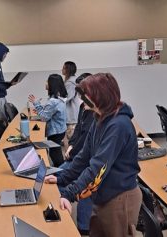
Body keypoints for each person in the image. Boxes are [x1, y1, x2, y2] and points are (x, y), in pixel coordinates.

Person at [45, 73, 142, 237]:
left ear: (100, 96)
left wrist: (70, 193)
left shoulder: (118, 125)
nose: (82, 100)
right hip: (103, 194)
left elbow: (97, 167)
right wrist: (63, 177)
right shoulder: (99, 118)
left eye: (85, 95)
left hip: (119, 197)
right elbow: (84, 156)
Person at [60, 73, 94, 235]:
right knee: (57, 178)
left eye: (83, 93)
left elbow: (87, 138)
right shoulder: (83, 107)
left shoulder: (95, 113)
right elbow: (79, 130)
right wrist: (71, 146)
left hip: (85, 161)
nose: (80, 98)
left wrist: (74, 154)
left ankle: (83, 227)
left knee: (85, 187)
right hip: (79, 157)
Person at [28, 74, 67, 167]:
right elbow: (49, 112)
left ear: (52, 84)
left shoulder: (53, 101)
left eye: (47, 81)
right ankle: (61, 169)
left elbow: (44, 117)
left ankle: (61, 171)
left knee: (55, 154)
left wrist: (36, 104)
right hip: (60, 130)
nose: (46, 83)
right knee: (55, 152)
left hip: (55, 132)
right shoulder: (59, 98)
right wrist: (40, 109)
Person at [62, 61, 81, 150]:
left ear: (67, 69)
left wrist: (56, 101)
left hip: (71, 115)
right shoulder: (73, 80)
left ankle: (69, 159)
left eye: (63, 68)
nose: (62, 70)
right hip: (73, 114)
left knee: (70, 140)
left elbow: (68, 98)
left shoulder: (70, 82)